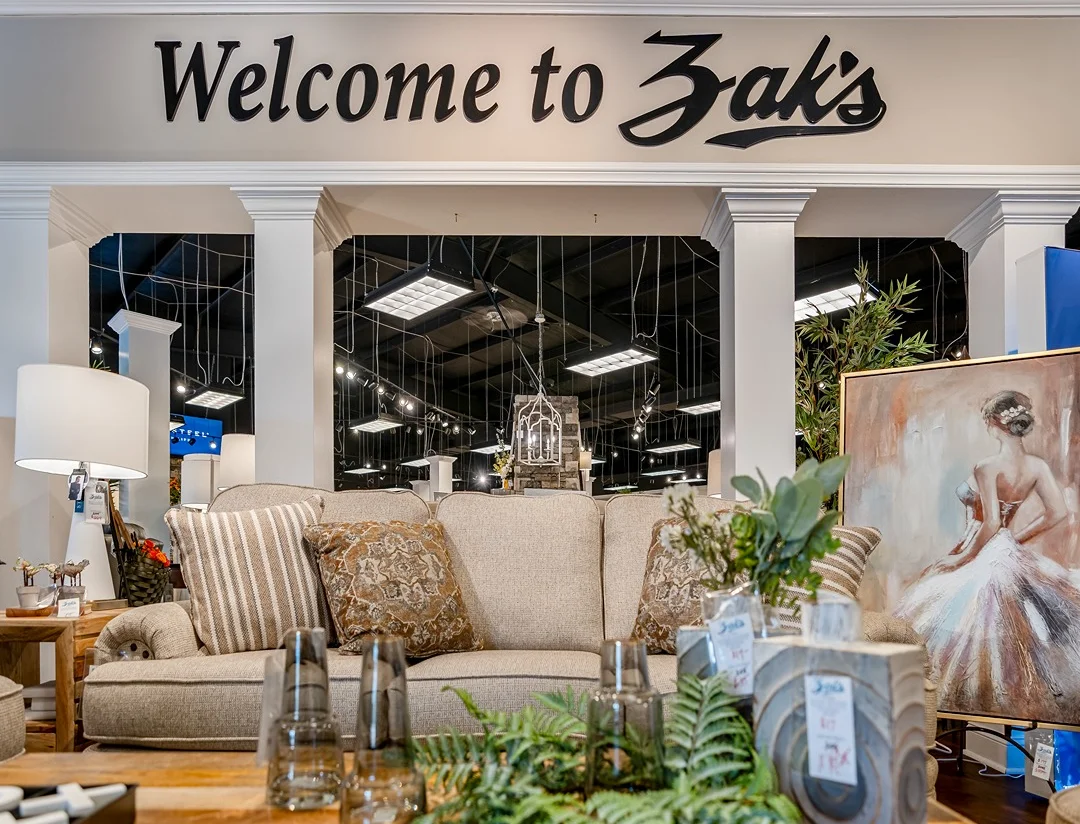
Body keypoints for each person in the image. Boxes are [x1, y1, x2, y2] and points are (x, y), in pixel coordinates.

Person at [895, 390, 1080, 721]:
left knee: (970, 622)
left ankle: (960, 704)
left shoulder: (987, 466)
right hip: (1003, 547)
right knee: (1002, 628)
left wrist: (963, 558)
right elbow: (1056, 513)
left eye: (986, 419)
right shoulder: (1036, 466)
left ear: (995, 423)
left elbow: (991, 521)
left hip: (985, 549)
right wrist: (1014, 539)